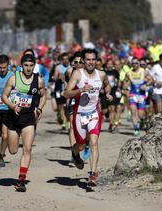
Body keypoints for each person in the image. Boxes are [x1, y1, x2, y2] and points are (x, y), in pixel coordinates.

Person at [64, 48, 113, 187]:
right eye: (88, 60)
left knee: (93, 143)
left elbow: (107, 86)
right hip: (79, 114)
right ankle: (75, 153)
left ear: (96, 61)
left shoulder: (101, 74)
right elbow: (66, 93)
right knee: (80, 145)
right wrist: (80, 90)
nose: (91, 62)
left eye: (93, 59)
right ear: (84, 61)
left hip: (94, 114)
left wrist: (107, 93)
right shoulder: (77, 74)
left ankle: (92, 174)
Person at [1, 54, 47, 192]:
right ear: (22, 66)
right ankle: (7, 150)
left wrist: (39, 108)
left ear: (34, 66)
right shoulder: (14, 79)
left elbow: (44, 95)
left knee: (27, 149)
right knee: (13, 150)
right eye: (26, 65)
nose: (28, 68)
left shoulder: (38, 81)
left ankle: (21, 179)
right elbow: (4, 96)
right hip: (13, 118)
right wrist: (12, 106)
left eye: (31, 65)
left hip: (28, 119)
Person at [124, 57, 153, 136]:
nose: (134, 65)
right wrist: (126, 89)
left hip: (141, 95)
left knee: (141, 114)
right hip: (132, 95)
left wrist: (146, 85)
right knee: (133, 111)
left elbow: (151, 80)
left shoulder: (144, 72)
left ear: (139, 64)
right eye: (133, 63)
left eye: (136, 63)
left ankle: (142, 120)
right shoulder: (128, 73)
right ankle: (136, 129)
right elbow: (125, 82)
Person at [53, 53, 70, 130]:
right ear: (61, 60)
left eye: (66, 59)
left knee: (67, 106)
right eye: (63, 59)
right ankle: (64, 122)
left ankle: (67, 121)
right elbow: (54, 78)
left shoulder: (71, 67)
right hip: (58, 89)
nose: (65, 60)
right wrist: (59, 77)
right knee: (60, 106)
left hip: (67, 89)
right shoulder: (58, 67)